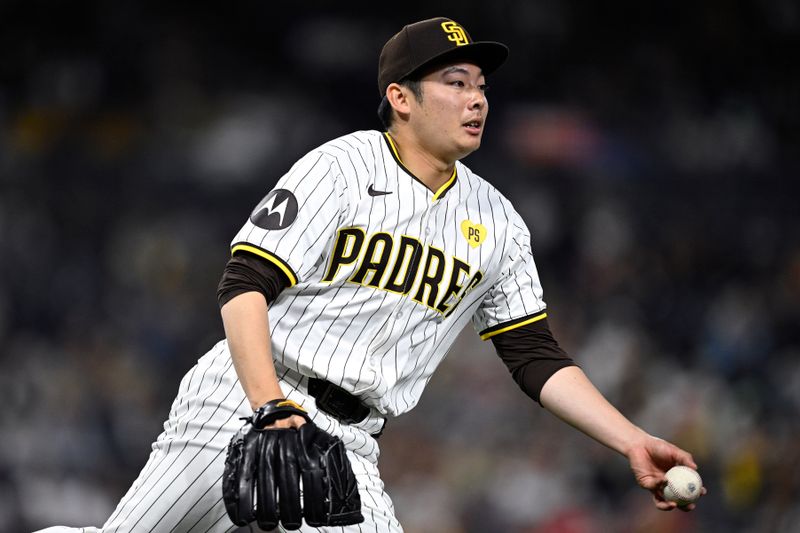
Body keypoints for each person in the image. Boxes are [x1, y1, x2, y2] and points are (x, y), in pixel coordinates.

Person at [37, 16, 703, 533]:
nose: (476, 99)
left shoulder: (498, 221)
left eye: (480, 85)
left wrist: (632, 439)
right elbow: (242, 286)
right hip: (242, 402)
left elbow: (533, 355)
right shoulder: (341, 168)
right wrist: (270, 405)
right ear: (400, 98)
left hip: (349, 443)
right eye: (455, 82)